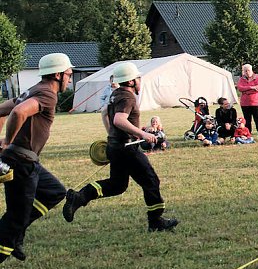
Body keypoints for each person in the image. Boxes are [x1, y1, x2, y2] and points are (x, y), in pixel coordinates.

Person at [63, 61, 179, 232]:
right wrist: (143, 134)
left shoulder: (115, 94)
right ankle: (156, 222)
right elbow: (119, 120)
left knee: (117, 185)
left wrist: (113, 135)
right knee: (151, 181)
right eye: (138, 78)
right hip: (127, 149)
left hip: (116, 146)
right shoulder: (128, 96)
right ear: (131, 81)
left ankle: (81, 196)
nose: (140, 81)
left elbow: (105, 114)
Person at [0, 53, 74, 263]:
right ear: (58, 75)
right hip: (22, 162)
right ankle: (14, 237)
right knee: (14, 220)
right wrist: (6, 141)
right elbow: (18, 112)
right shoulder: (47, 94)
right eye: (69, 74)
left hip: (28, 161)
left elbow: (2, 109)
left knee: (54, 192)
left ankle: (17, 234)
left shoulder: (33, 90)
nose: (69, 78)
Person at [237, 64, 258, 142]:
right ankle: (248, 135)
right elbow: (240, 88)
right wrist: (251, 87)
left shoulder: (257, 77)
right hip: (245, 103)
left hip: (256, 102)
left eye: (248, 70)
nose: (247, 72)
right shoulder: (241, 79)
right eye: (245, 71)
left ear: (251, 70)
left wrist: (246, 89)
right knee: (247, 121)